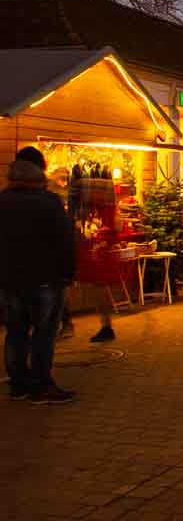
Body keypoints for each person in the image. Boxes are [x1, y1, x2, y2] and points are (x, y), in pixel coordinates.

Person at [0, 147, 77, 404]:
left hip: (10, 280)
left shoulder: (2, 201)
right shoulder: (49, 202)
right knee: (44, 333)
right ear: (40, 172)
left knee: (15, 332)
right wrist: (68, 274)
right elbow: (66, 240)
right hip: (45, 280)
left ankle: (17, 384)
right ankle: (40, 385)